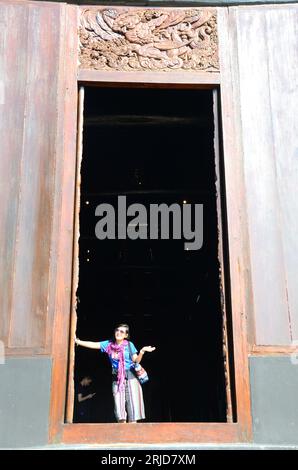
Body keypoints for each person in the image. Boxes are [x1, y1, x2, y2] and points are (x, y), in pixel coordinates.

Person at [75, 323, 156, 423]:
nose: (118, 332)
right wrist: (78, 341)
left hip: (131, 375)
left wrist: (142, 351)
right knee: (119, 407)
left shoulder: (129, 345)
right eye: (117, 330)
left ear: (126, 335)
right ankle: (122, 431)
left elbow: (136, 361)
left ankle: (132, 434)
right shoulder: (109, 344)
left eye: (122, 331)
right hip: (117, 377)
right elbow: (94, 344)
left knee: (133, 405)